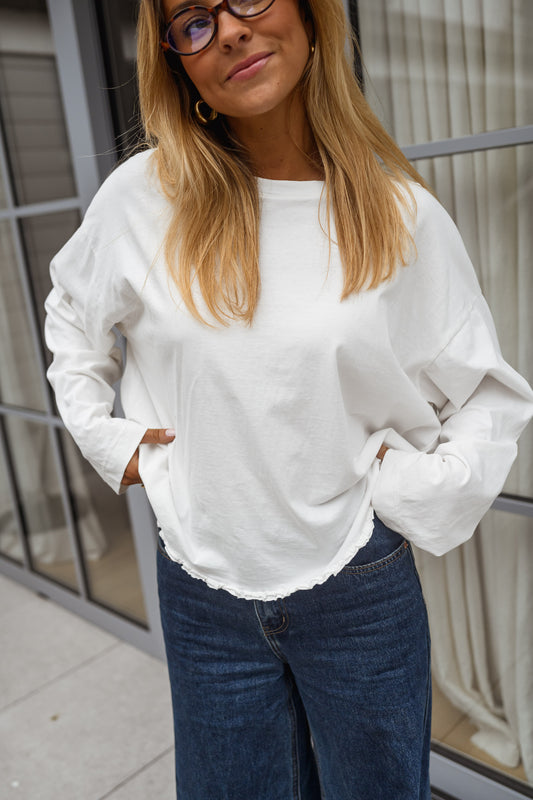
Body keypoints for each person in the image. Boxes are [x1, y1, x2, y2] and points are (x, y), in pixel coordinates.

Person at [44, 0, 533, 797]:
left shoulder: (398, 213)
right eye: (193, 22)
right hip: (201, 583)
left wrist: (414, 489)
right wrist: (108, 439)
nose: (229, 30)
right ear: (178, 64)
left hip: (356, 586)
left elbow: (486, 393)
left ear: (310, 16)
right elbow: (72, 314)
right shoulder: (144, 197)